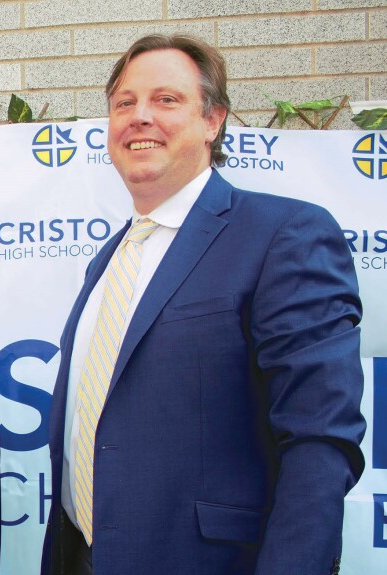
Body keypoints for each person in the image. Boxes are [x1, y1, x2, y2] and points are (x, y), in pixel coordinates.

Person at [42, 34, 365, 575]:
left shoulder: (282, 234)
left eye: (166, 100)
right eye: (124, 103)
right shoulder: (109, 260)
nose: (139, 116)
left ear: (213, 121)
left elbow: (319, 438)